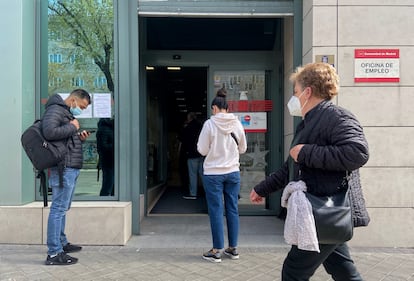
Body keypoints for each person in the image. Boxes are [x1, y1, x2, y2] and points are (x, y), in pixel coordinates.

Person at [250, 62, 369, 280]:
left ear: (307, 92)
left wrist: (306, 152)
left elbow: (357, 153)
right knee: (343, 270)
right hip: (325, 212)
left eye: (295, 92)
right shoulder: (307, 123)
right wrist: (263, 188)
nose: (293, 98)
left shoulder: (336, 117)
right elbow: (292, 167)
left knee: (293, 271)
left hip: (324, 209)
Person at [42, 89, 92, 265]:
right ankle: (54, 253)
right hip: (63, 168)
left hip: (70, 166)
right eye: (82, 106)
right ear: (73, 100)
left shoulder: (64, 112)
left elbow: (62, 138)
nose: (82, 110)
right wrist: (73, 127)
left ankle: (62, 243)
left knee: (62, 208)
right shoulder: (55, 110)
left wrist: (78, 137)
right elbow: (49, 132)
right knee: (58, 210)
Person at [197, 89, 247, 263]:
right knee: (232, 209)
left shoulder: (209, 125)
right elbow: (243, 149)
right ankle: (233, 249)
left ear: (215, 108)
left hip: (213, 174)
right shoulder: (237, 124)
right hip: (233, 172)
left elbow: (202, 150)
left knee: (216, 211)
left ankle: (216, 250)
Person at [179, 112, 204, 199]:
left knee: (193, 174)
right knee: (202, 174)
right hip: (201, 153)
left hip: (191, 154)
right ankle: (208, 192)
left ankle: (193, 193)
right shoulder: (201, 126)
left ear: (189, 118)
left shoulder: (188, 127)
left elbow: (182, 138)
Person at [96, 118, 115, 196]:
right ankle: (104, 200)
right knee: (108, 185)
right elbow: (102, 147)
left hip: (112, 160)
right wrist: (115, 146)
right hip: (108, 161)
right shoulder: (104, 129)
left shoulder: (111, 128)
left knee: (112, 185)